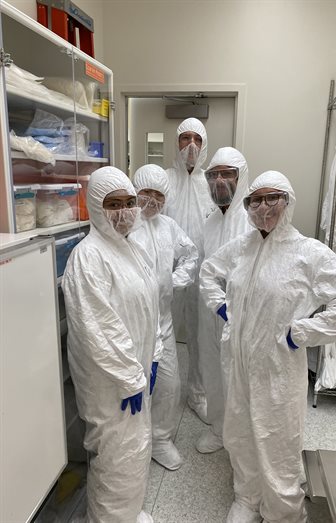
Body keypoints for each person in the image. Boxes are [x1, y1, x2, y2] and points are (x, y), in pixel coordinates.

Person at [199, 171, 336, 523]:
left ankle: (284, 512)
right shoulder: (243, 245)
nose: (264, 207)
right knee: (239, 433)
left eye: (274, 198)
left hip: (279, 368)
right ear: (248, 206)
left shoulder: (307, 252)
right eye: (256, 200)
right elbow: (208, 272)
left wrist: (301, 332)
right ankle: (247, 498)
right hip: (238, 363)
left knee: (278, 442)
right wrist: (222, 307)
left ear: (288, 201)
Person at [62, 166, 162, 523]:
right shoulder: (87, 257)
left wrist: (153, 356)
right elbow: (98, 329)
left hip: (133, 371)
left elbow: (151, 308)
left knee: (135, 450)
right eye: (113, 204)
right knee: (116, 454)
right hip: (110, 382)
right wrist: (129, 376)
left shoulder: (132, 249)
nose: (124, 212)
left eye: (129, 202)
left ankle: (127, 512)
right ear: (97, 208)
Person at [131, 164, 198, 471]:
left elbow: (191, 255)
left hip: (164, 321)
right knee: (136, 386)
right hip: (133, 323)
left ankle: (160, 439)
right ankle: (135, 442)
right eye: (147, 193)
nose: (153, 201)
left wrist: (175, 280)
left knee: (169, 384)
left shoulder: (169, 226)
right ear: (136, 191)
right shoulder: (125, 227)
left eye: (159, 195)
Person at [196, 146, 251, 454]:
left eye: (227, 174)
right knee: (213, 372)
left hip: (238, 315)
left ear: (240, 177)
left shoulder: (251, 221)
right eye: (213, 175)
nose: (219, 182)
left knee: (237, 379)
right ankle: (218, 429)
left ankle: (239, 441)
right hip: (209, 312)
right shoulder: (210, 222)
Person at [164, 117, 215, 423]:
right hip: (166, 272)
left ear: (204, 144)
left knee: (200, 335)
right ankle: (160, 393)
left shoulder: (211, 183)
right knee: (161, 330)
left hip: (201, 272)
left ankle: (197, 393)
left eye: (197, 139)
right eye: (185, 138)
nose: (191, 145)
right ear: (177, 143)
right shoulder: (165, 180)